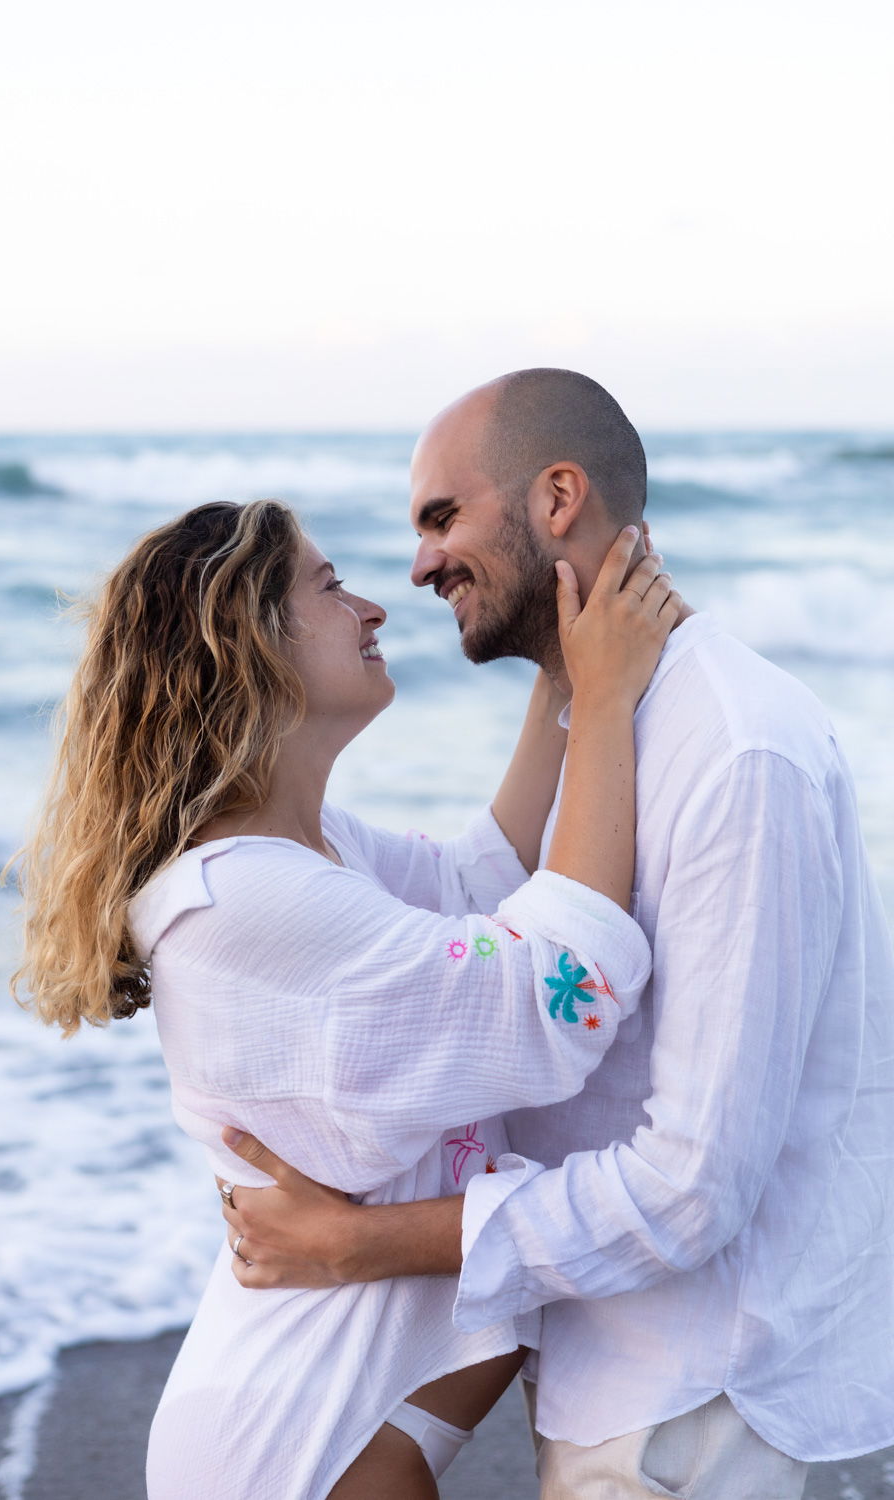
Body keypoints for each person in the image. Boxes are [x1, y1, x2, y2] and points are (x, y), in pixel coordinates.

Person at [219, 369, 894, 1500]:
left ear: (557, 497)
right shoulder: (613, 719)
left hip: (708, 1415)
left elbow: (690, 1188)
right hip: (632, 1384)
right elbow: (474, 908)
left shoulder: (732, 747)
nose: (419, 566)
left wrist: (359, 1244)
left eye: (442, 517)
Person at [10, 496, 680, 1498]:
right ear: (246, 643)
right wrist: (608, 695)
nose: (370, 608)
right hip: (292, 1438)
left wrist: (560, 661)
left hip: (344, 1418)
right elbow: (560, 996)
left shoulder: (298, 857)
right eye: (327, 588)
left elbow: (481, 883)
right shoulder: (237, 897)